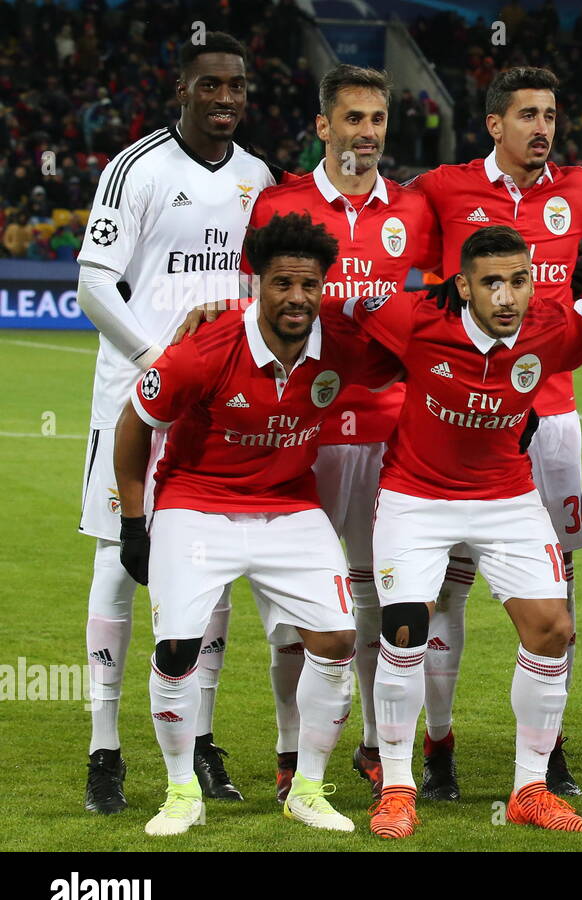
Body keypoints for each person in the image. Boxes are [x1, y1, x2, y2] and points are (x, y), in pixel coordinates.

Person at [113, 212, 401, 836]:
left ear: (324, 287)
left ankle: (307, 788)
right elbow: (135, 422)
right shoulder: (206, 349)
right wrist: (135, 523)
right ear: (257, 286)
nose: (296, 298)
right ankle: (180, 789)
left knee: (337, 640)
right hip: (196, 504)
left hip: (290, 508)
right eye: (280, 285)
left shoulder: (342, 342)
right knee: (178, 648)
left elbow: (422, 338)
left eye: (309, 286)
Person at [352, 225, 582, 839]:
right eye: (492, 283)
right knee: (405, 628)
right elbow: (335, 301)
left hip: (506, 496)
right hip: (415, 497)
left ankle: (530, 786)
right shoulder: (414, 318)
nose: (507, 297)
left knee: (554, 628)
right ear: (464, 286)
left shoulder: (553, 326)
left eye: (519, 281)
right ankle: (397, 786)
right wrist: (224, 312)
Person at [75, 31, 277, 815]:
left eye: (237, 86)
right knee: (119, 566)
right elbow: (95, 284)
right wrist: (164, 360)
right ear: (183, 89)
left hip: (221, 409)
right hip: (135, 399)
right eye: (210, 85)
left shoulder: (260, 177)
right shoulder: (137, 169)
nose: (225, 97)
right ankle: (104, 748)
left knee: (211, 571)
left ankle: (198, 736)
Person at [406, 67, 582, 800]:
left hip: (552, 417)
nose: (543, 127)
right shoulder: (441, 189)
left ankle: (549, 747)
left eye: (551, 114)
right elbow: (389, 256)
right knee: (443, 592)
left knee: (558, 590)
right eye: (527, 113)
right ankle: (437, 748)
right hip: (462, 417)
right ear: (494, 123)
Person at [241, 63, 438, 802]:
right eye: (352, 118)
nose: (366, 132)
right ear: (323, 125)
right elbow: (250, 311)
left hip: (389, 431)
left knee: (380, 596)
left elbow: (438, 310)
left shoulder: (416, 210)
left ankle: (367, 745)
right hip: (300, 430)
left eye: (377, 119)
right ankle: (291, 747)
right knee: (294, 603)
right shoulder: (279, 205)